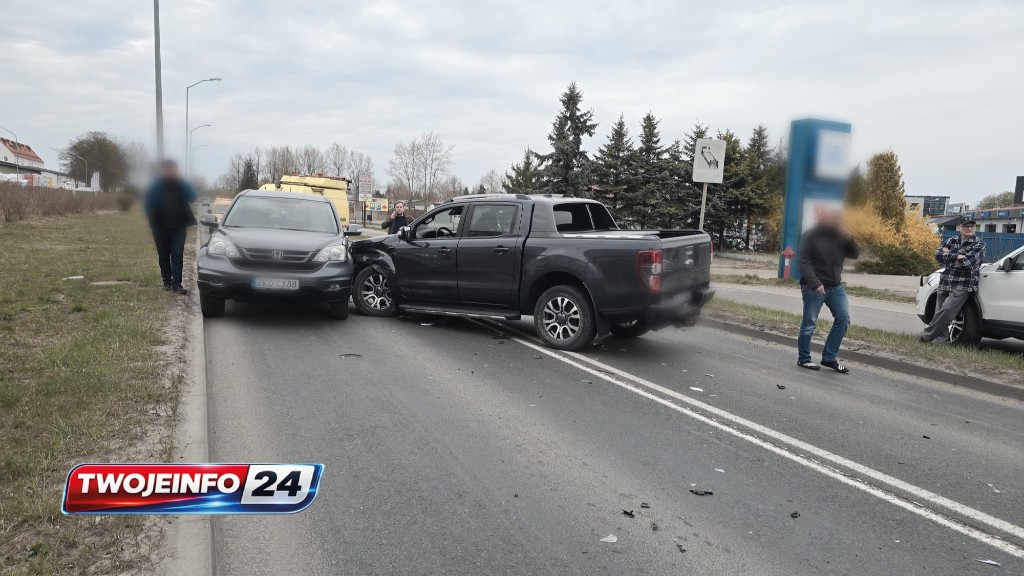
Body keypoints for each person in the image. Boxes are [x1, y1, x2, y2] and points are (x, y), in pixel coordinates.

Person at [796, 208, 859, 373]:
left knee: (843, 319)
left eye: (840, 218)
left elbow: (854, 255)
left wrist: (849, 238)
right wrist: (815, 283)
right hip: (814, 287)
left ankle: (829, 358)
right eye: (835, 218)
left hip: (836, 286)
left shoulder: (839, 237)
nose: (839, 221)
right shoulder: (810, 236)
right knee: (809, 323)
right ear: (824, 219)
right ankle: (804, 359)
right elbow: (803, 262)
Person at [919, 219, 986, 344]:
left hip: (963, 283)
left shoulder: (979, 244)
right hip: (945, 280)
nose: (970, 229)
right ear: (959, 228)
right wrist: (957, 255)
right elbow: (937, 255)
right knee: (939, 312)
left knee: (947, 311)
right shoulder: (952, 240)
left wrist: (949, 254)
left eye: (972, 226)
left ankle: (926, 335)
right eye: (966, 226)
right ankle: (941, 340)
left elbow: (968, 263)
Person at [144, 160, 197, 295]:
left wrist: (182, 182)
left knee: (177, 254)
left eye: (172, 169)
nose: (169, 172)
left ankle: (176, 284)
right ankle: (166, 283)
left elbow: (192, 197)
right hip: (160, 226)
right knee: (163, 256)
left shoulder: (181, 184)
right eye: (166, 169)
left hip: (179, 227)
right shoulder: (156, 185)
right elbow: (149, 202)